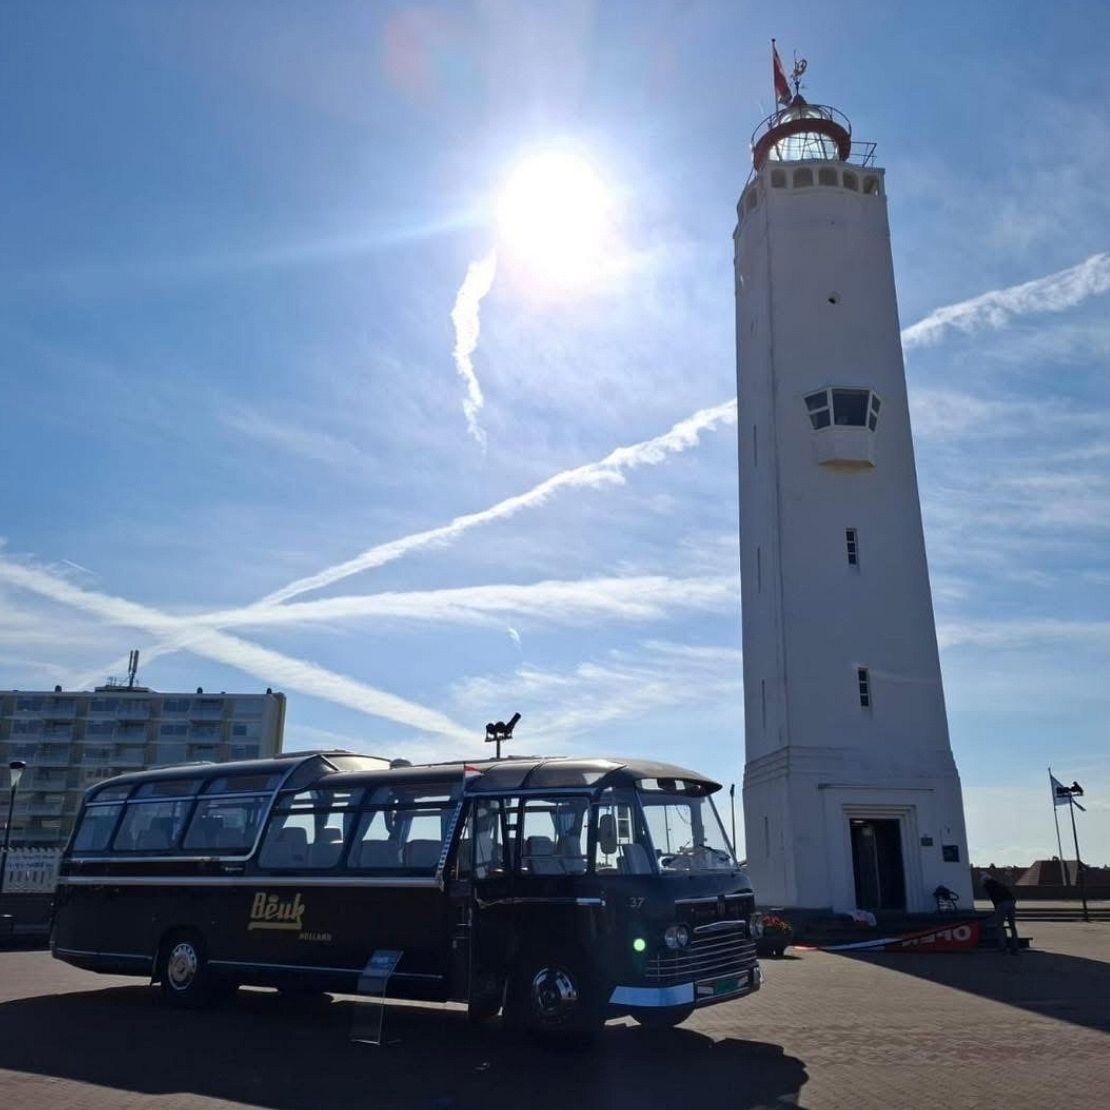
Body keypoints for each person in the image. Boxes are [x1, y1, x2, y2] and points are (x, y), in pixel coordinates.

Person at [981, 875, 1019, 954]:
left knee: (999, 926)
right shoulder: (998, 883)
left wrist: (996, 910)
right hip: (1011, 901)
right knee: (1012, 926)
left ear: (984, 882)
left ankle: (1003, 947)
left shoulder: (988, 886)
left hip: (1002, 904)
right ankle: (1015, 948)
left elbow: (994, 899)